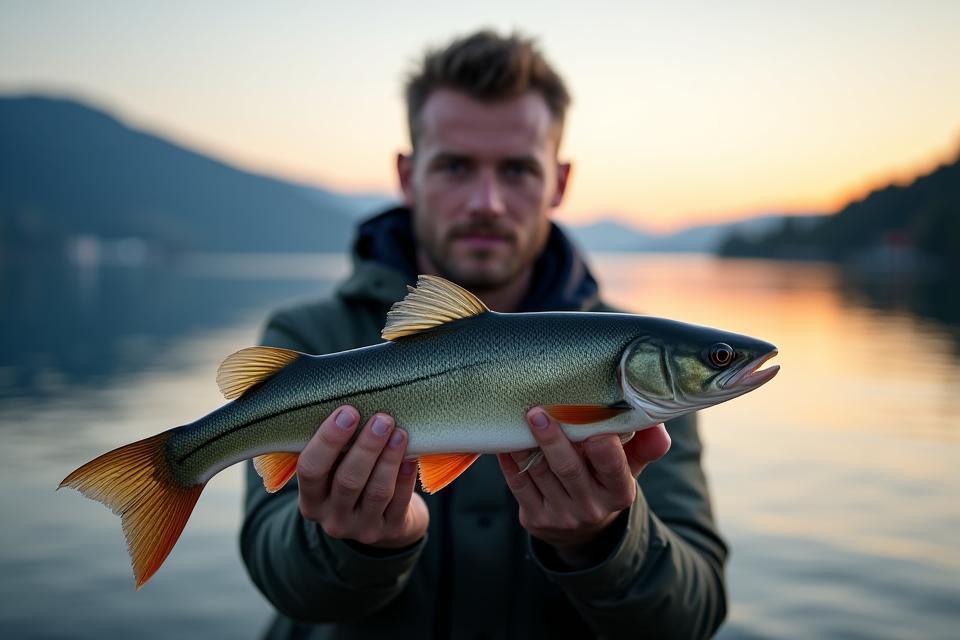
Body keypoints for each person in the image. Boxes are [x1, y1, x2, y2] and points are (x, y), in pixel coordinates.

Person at [240, 30, 727, 639]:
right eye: (455, 166)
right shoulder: (310, 336)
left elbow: (693, 616)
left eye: (518, 169)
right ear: (408, 174)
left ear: (559, 181)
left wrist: (605, 541)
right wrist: (357, 547)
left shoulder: (640, 367)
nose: (487, 202)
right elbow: (278, 574)